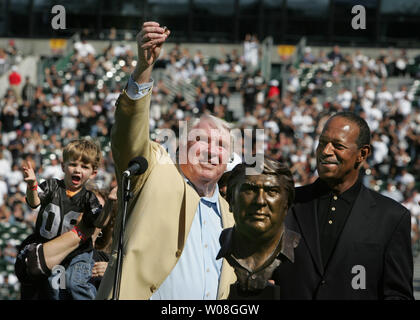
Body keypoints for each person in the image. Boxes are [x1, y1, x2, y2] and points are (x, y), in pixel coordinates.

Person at [96, 21, 236, 300]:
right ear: (182, 146)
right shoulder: (154, 171)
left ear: (228, 158)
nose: (210, 151)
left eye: (220, 145)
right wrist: (144, 68)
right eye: (201, 141)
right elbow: (129, 135)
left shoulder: (232, 213)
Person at [274, 112, 414, 300]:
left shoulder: (391, 217)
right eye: (322, 143)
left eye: (338, 146)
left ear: (362, 154)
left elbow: (397, 295)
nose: (326, 151)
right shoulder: (284, 204)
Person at [15, 139, 108, 299]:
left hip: (75, 256)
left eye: (84, 166)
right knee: (55, 290)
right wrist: (32, 186)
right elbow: (34, 202)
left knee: (74, 284)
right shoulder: (52, 186)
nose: (78, 170)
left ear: (93, 173)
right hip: (50, 251)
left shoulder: (88, 200)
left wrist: (112, 269)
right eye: (73, 164)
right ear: (63, 166)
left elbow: (99, 220)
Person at [217, 158, 300, 299]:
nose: (260, 201)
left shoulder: (304, 254)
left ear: (286, 204)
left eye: (272, 191)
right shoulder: (214, 246)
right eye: (249, 190)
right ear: (231, 200)